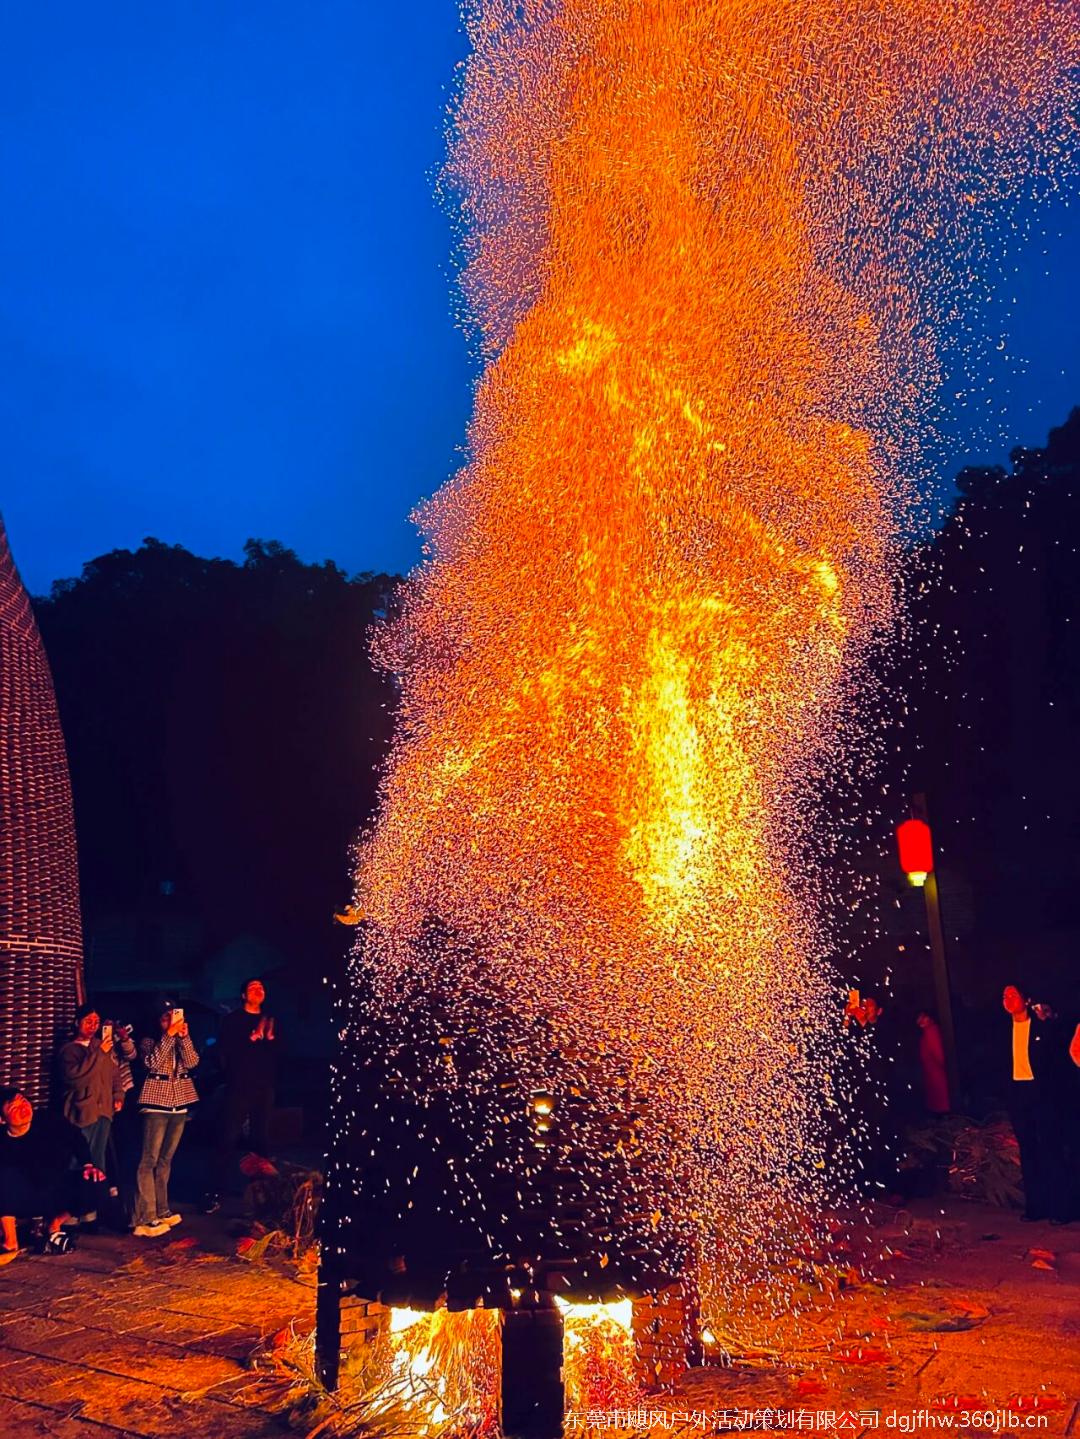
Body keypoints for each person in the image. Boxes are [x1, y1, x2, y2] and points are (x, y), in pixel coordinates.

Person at [0, 1088, 106, 1264]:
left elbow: (76, 1137)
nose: (23, 1108)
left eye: (23, 1101)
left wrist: (88, 1165)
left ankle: (53, 1224)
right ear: (2, 1120)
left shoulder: (48, 1121)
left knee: (96, 1182)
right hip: (19, 1200)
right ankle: (10, 1241)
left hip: (53, 1192)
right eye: (14, 1108)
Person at [204, 978, 280, 1212]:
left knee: (261, 1139)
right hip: (239, 1086)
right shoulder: (233, 1020)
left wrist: (270, 1040)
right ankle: (214, 1192)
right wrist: (251, 1038)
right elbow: (225, 1051)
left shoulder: (270, 1019)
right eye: (253, 988)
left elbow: (279, 1052)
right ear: (244, 995)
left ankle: (260, 1195)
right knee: (228, 1137)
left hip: (264, 1087)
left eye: (261, 987)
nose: (258, 990)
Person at [1002, 984, 1072, 1224]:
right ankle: (1036, 1206)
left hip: (1040, 1092)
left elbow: (1057, 1057)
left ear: (1026, 999)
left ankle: (1061, 1208)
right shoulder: (1002, 1031)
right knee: (1028, 1149)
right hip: (1018, 1093)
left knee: (1051, 1147)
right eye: (1005, 996)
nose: (1008, 999)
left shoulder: (1040, 1026)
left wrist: (1050, 1020)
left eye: (1013, 995)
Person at [132, 1000, 200, 1238]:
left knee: (165, 1160)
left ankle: (161, 1209)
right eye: (165, 1018)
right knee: (148, 1160)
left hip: (179, 1104)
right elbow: (153, 1063)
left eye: (173, 1017)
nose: (170, 1021)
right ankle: (145, 1217)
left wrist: (184, 1037)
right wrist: (169, 1035)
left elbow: (192, 1062)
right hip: (155, 1104)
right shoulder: (149, 1042)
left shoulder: (180, 1040)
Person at [56, 1004, 124, 1181]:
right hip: (82, 1111)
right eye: (88, 1021)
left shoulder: (101, 1047)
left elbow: (114, 1073)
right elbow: (76, 1078)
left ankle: (97, 1193)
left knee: (98, 1157)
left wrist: (118, 1095)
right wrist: (100, 1053)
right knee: (80, 1157)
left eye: (96, 1022)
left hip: (103, 1109)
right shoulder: (69, 1050)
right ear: (77, 1022)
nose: (93, 1026)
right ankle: (76, 1195)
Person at [916, 1010, 951, 1114]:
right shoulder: (927, 1032)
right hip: (932, 1073)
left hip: (937, 1074)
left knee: (941, 1102)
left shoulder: (932, 1031)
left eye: (924, 1017)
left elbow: (939, 1054)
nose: (921, 1020)